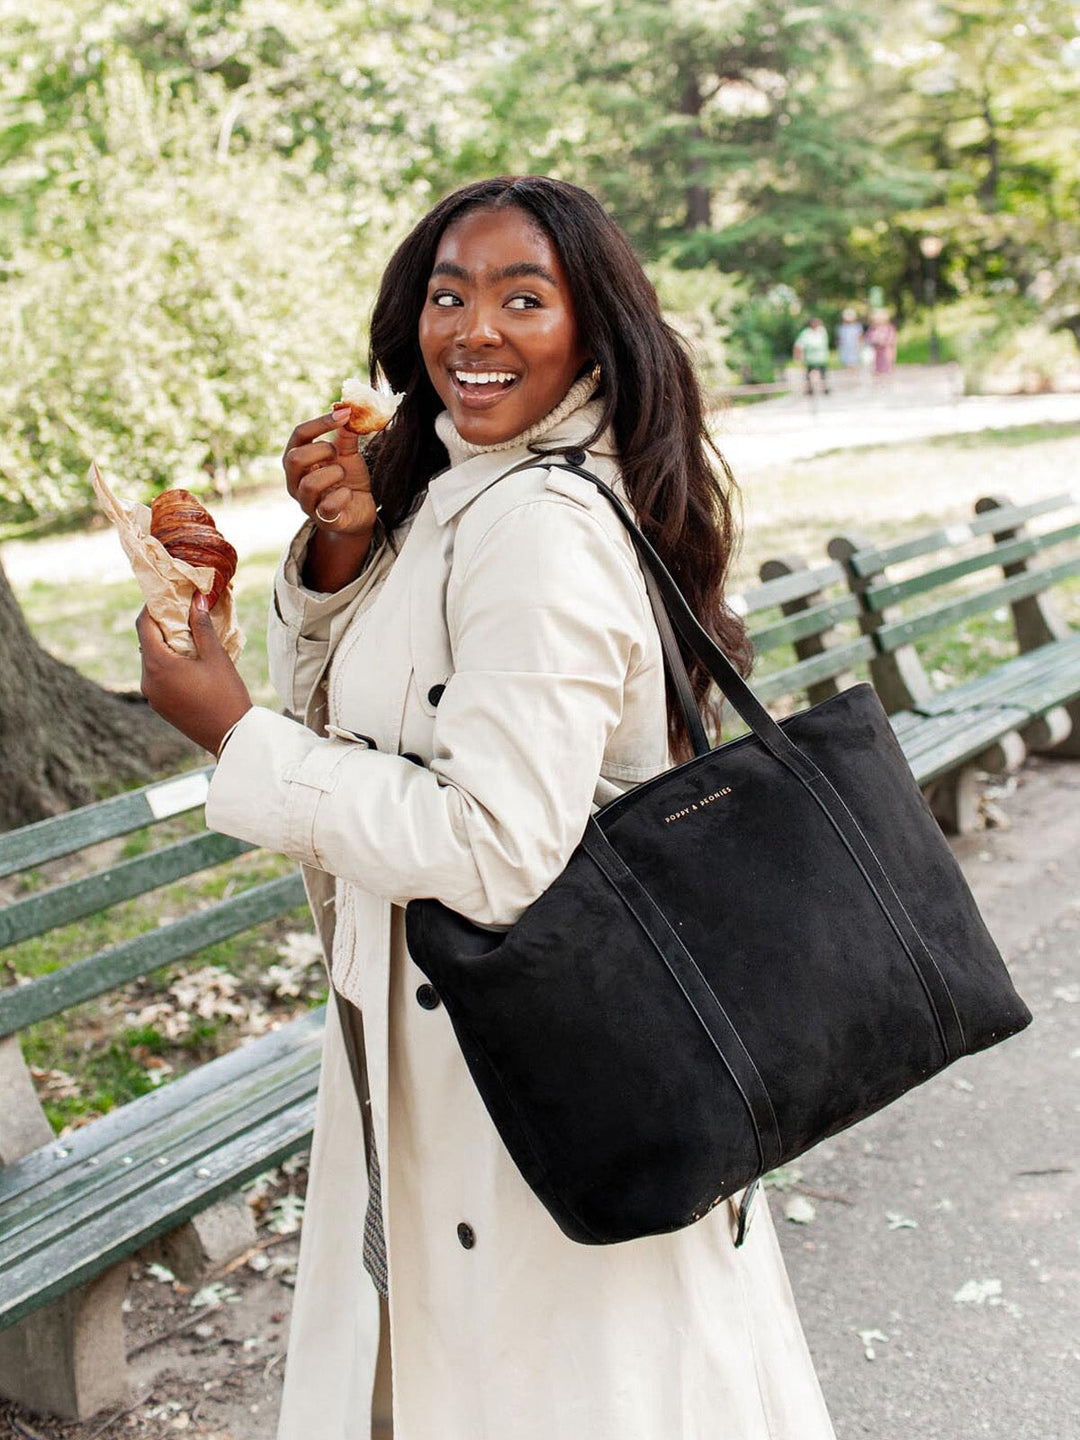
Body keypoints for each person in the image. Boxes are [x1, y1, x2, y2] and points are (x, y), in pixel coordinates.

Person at [138, 175, 836, 1440]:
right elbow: (399, 712)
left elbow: (497, 846)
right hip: (489, 1071)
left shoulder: (539, 524)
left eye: (525, 298)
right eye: (449, 296)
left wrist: (235, 737)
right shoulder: (469, 490)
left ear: (592, 329)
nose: (476, 331)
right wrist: (345, 551)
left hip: (534, 1076)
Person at [792, 315, 830, 395]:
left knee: (823, 374)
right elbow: (799, 345)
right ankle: (809, 389)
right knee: (809, 374)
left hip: (821, 357)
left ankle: (825, 388)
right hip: (811, 358)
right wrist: (797, 356)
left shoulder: (822, 331)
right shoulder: (806, 333)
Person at [866, 311, 898, 376]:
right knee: (877, 360)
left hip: (887, 348)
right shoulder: (873, 328)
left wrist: (885, 342)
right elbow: (869, 336)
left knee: (887, 359)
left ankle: (887, 371)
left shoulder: (889, 328)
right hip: (877, 348)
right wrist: (873, 341)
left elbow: (892, 337)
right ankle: (878, 370)